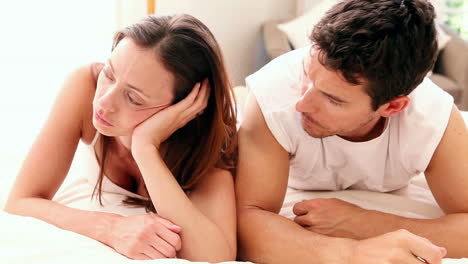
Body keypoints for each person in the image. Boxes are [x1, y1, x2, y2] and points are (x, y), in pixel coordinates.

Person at [236, 0, 468, 263]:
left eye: (333, 100)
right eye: (308, 77)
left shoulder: (433, 117)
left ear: (392, 106)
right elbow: (247, 220)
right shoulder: (272, 95)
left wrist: (366, 223)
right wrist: (351, 253)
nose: (302, 104)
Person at [5, 14, 237, 262]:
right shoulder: (85, 85)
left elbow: (215, 256)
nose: (104, 101)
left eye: (134, 98)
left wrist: (145, 148)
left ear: (184, 108)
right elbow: (20, 202)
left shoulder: (205, 144)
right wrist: (111, 227)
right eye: (109, 74)